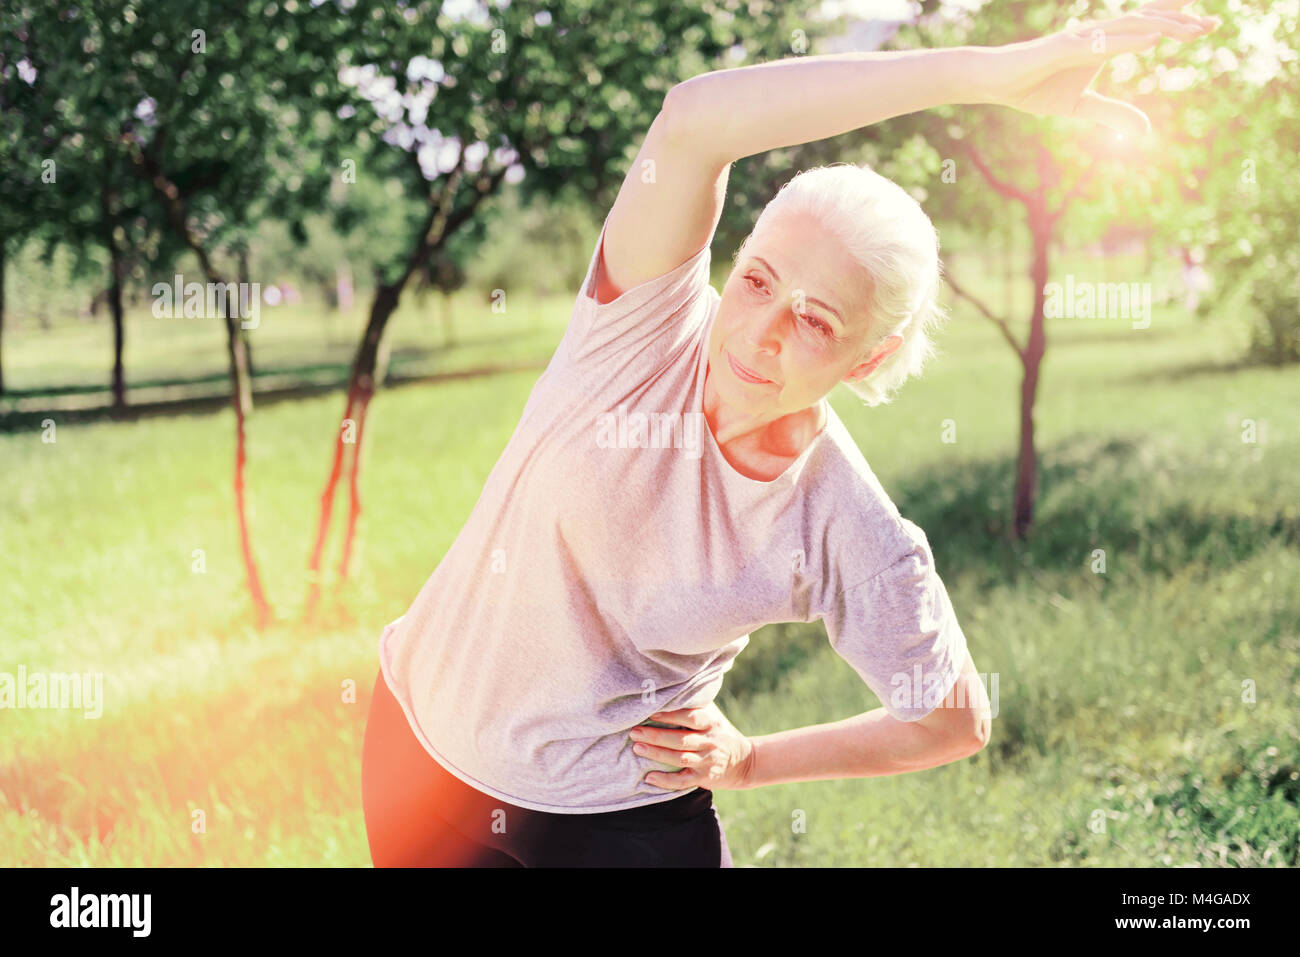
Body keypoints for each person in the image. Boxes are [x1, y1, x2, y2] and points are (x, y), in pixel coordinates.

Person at [362, 1, 1219, 867]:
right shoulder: (641, 330)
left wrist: (751, 759)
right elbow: (696, 121)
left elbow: (952, 717)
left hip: (616, 828)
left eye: (813, 320)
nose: (759, 332)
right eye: (760, 280)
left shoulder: (841, 520)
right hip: (415, 756)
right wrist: (990, 75)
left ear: (866, 356)